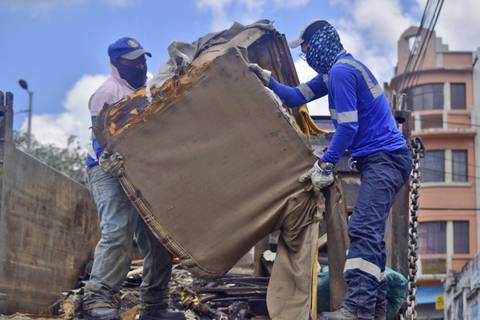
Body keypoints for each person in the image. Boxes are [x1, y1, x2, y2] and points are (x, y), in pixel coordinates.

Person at [249, 21, 412, 320]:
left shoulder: (341, 73)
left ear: (321, 44)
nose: (307, 55)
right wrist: (268, 80)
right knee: (371, 234)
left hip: (385, 159)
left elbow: (348, 126)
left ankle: (359, 309)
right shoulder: (335, 71)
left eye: (308, 48)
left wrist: (325, 163)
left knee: (363, 228)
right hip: (384, 160)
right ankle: (373, 311)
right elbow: (297, 97)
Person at [83, 37, 186, 320]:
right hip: (107, 168)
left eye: (143, 59)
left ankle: (154, 306)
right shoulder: (106, 93)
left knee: (157, 238)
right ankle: (97, 299)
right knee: (117, 229)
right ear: (117, 64)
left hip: (141, 168)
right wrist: (108, 157)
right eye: (133, 61)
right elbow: (100, 138)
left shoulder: (151, 85)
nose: (141, 65)